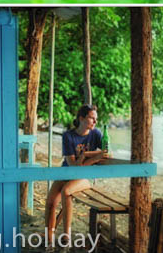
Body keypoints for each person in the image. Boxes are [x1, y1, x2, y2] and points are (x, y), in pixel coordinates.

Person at [44, 104, 109, 247]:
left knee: (66, 191)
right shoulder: (68, 136)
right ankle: (49, 239)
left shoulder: (96, 134)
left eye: (96, 119)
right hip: (67, 172)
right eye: (92, 118)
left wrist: (87, 156)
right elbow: (73, 166)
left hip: (85, 177)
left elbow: (107, 153)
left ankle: (66, 237)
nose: (95, 122)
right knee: (50, 203)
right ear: (81, 118)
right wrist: (91, 157)